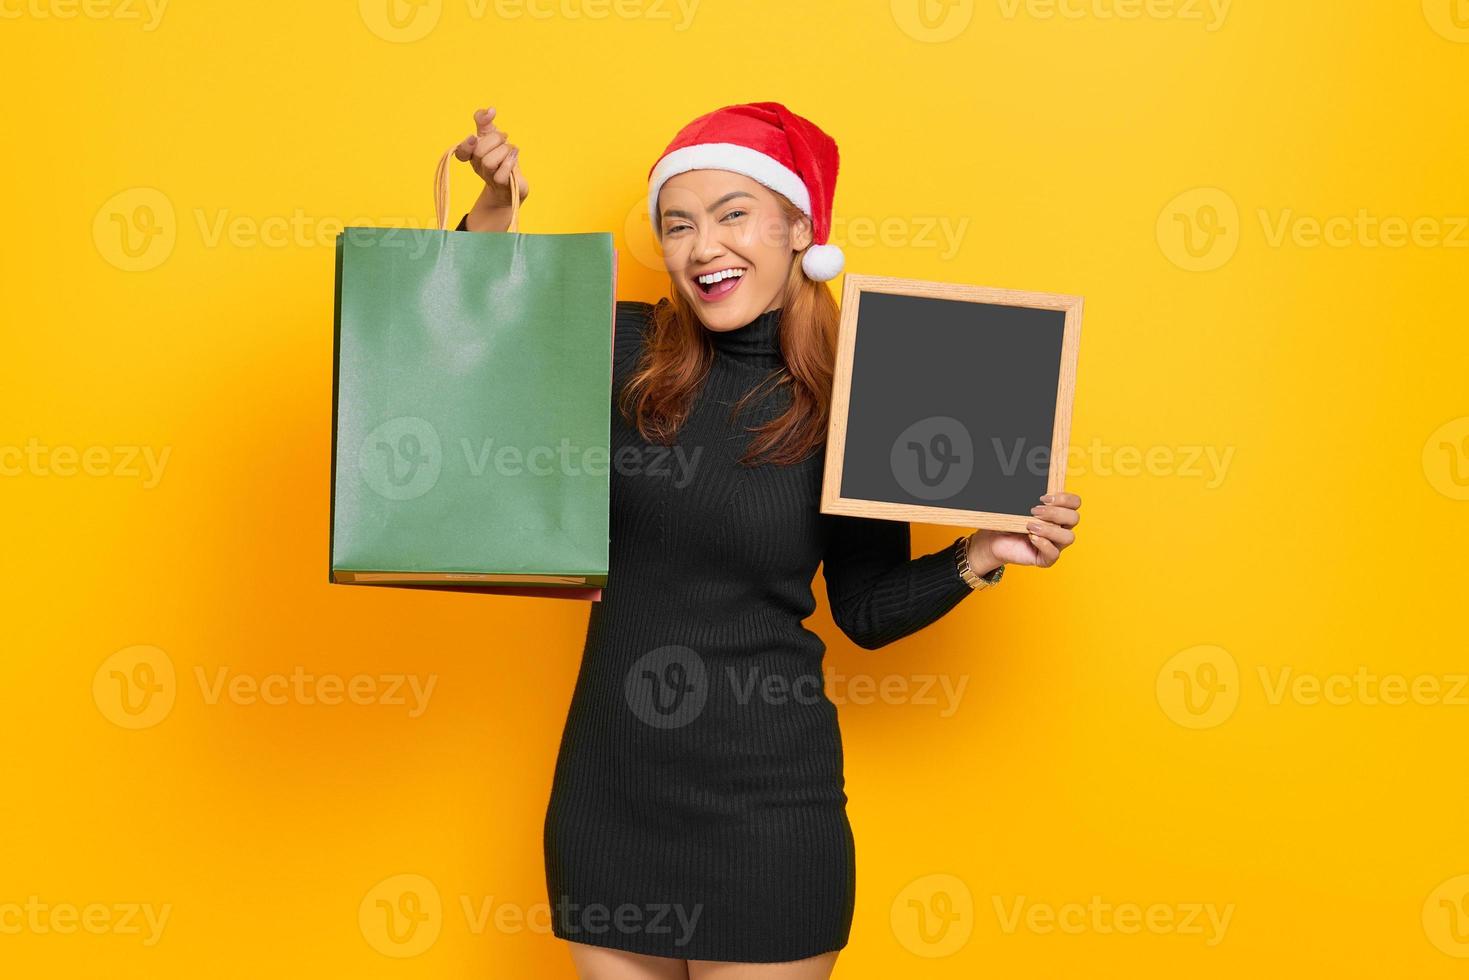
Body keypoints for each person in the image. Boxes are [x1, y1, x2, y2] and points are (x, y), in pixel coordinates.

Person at [451, 102, 1082, 980]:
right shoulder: (624, 345)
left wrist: (976, 556)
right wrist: (492, 205)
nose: (702, 245)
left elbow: (863, 610)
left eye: (732, 214)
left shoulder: (861, 397)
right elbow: (471, 334)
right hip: (609, 791)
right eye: (678, 225)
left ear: (798, 227)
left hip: (767, 811)